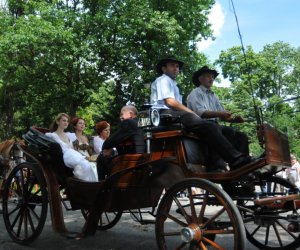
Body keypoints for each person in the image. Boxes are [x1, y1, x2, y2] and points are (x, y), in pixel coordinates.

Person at [150, 56, 256, 171]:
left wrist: (234, 119)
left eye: (177, 66)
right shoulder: (163, 80)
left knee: (231, 132)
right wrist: (192, 114)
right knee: (210, 125)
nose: (176, 68)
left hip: (172, 114)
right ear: (164, 69)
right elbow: (170, 102)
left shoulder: (174, 85)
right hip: (162, 115)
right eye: (172, 65)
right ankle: (233, 160)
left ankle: (241, 166)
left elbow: (222, 114)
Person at [187, 66, 249, 156]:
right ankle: (230, 161)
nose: (211, 79)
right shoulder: (195, 93)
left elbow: (223, 116)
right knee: (228, 131)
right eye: (208, 76)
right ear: (200, 79)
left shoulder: (213, 96)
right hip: (202, 127)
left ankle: (244, 163)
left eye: (212, 77)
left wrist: (235, 120)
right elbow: (200, 113)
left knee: (242, 136)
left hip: (214, 126)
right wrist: (221, 113)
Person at [96, 105, 145, 179]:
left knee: (101, 157)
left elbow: (113, 140)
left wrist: (105, 147)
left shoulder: (128, 122)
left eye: (122, 114)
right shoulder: (143, 123)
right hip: (144, 159)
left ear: (131, 114)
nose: (120, 117)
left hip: (131, 160)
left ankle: (103, 187)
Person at [45, 113, 98, 182]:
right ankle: (82, 184)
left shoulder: (70, 135)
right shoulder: (52, 136)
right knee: (85, 166)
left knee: (89, 165)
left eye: (67, 121)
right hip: (63, 158)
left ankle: (88, 185)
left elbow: (74, 149)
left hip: (74, 156)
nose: (66, 123)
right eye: (64, 120)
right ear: (58, 122)